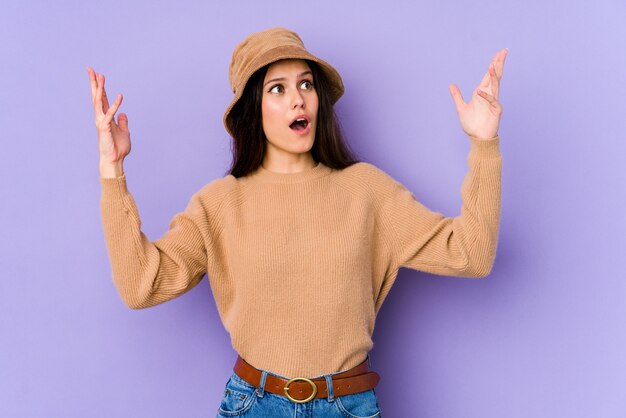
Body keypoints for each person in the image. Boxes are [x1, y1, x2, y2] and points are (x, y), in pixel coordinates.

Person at [87, 27, 507, 417]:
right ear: (255, 107)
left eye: (306, 83)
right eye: (278, 88)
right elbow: (141, 284)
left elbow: (471, 255)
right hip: (253, 404)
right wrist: (112, 171)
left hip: (347, 404)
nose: (298, 99)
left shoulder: (366, 191)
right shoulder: (219, 204)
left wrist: (484, 144)